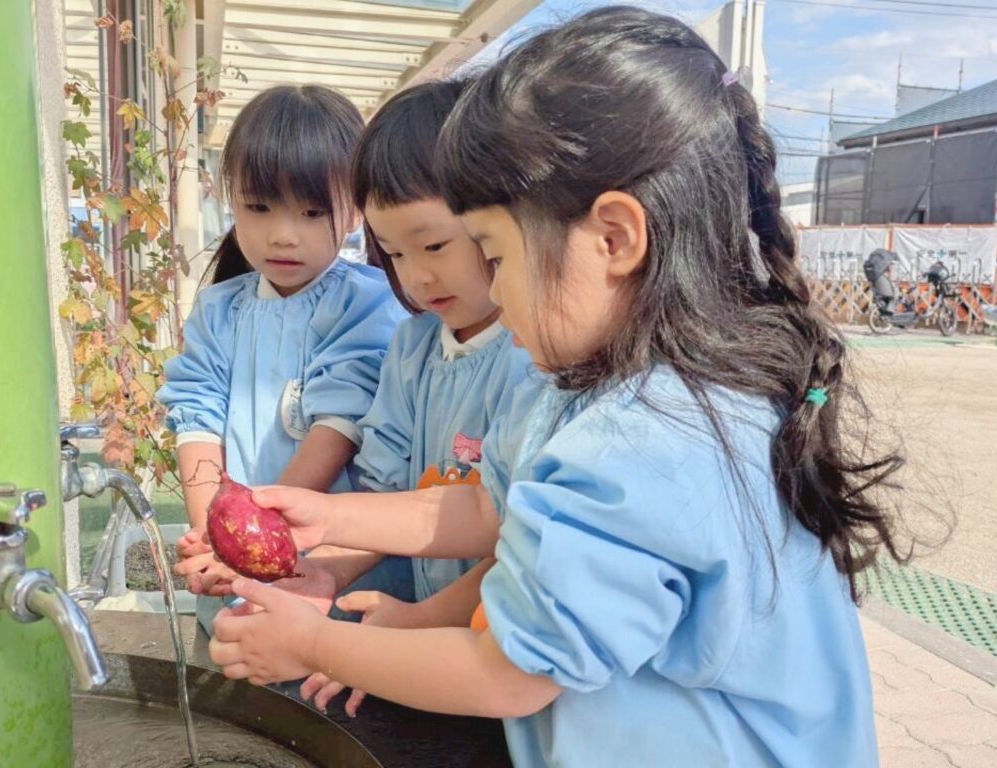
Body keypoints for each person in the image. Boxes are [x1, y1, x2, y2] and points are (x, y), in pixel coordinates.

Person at [208, 9, 904, 766]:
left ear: (614, 238)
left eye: (496, 255)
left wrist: (314, 643)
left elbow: (504, 674)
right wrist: (331, 515)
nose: (494, 290)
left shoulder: (650, 440)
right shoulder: (592, 389)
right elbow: (489, 508)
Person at [297, 79, 534, 716]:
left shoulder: (533, 358)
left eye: (434, 245)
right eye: (395, 253)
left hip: (501, 651)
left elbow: (517, 542)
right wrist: (326, 571)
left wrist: (421, 622)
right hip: (425, 643)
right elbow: (383, 492)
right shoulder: (413, 345)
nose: (417, 275)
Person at [157, 84, 406, 634]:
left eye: (312, 212)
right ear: (232, 198)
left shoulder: (367, 302)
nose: (283, 235)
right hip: (236, 565)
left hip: (333, 571)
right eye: (259, 208)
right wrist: (215, 537)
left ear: (354, 211)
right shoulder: (219, 309)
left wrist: (247, 536)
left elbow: (336, 427)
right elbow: (197, 421)